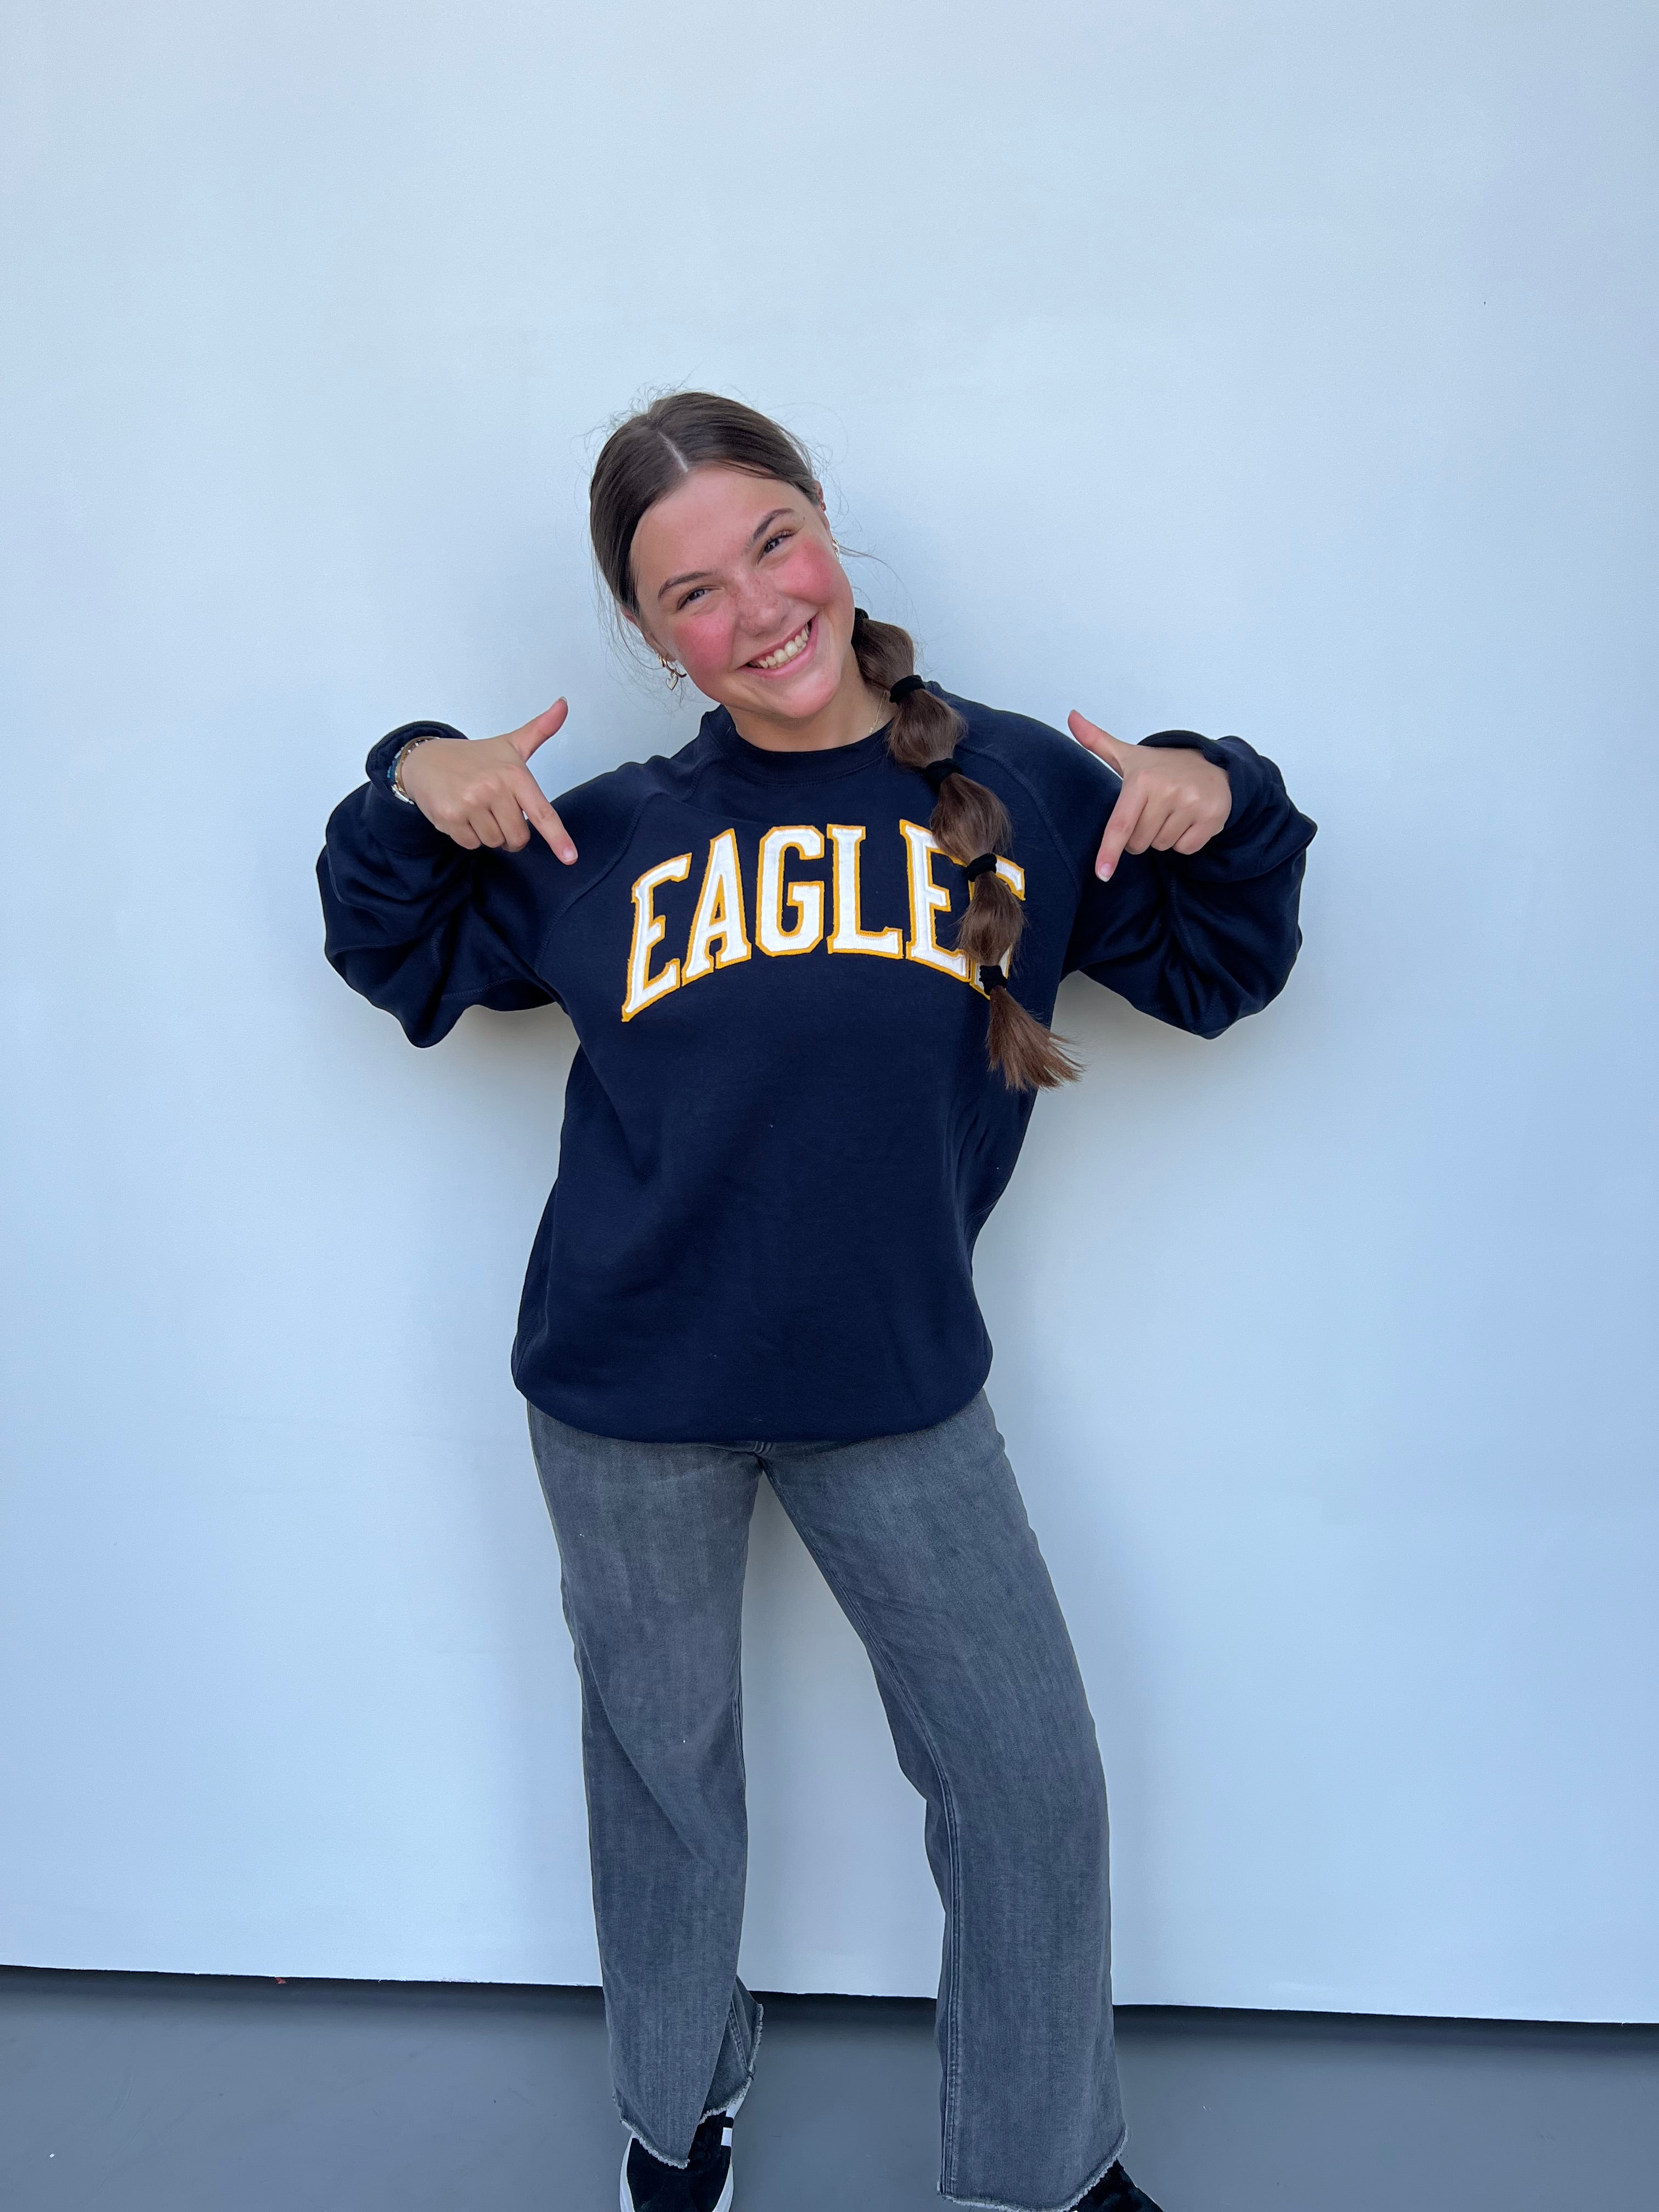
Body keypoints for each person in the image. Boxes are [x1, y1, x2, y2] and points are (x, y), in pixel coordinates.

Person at [317, 391, 1317, 2212]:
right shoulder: (601, 836)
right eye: (689, 591)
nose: (756, 607)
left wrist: (1219, 785)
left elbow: (1219, 966)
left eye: (772, 542)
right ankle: (672, 2107)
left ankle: (1040, 2168)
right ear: (651, 640)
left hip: (895, 1387)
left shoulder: (1017, 791)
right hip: (625, 1395)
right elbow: (395, 946)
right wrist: (409, 774)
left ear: (827, 526)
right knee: (663, 1779)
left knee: (1027, 1782)